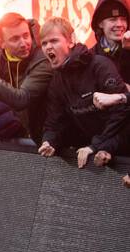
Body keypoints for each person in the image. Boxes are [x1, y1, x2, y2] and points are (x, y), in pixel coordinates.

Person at [36, 17, 129, 169]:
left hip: (122, 148)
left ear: (71, 41)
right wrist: (49, 141)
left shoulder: (99, 65)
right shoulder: (57, 80)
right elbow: (55, 121)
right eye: (44, 43)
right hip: (98, 153)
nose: (48, 47)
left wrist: (98, 145)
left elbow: (123, 112)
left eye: (54, 41)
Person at [0, 12, 51, 142]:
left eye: (26, 36)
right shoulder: (1, 56)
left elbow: (21, 99)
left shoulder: (42, 60)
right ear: (2, 43)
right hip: (20, 133)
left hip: (46, 136)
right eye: (15, 39)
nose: (23, 43)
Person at [89, 0, 130, 88]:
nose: (119, 24)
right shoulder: (90, 58)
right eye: (113, 19)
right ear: (100, 24)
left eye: (123, 19)